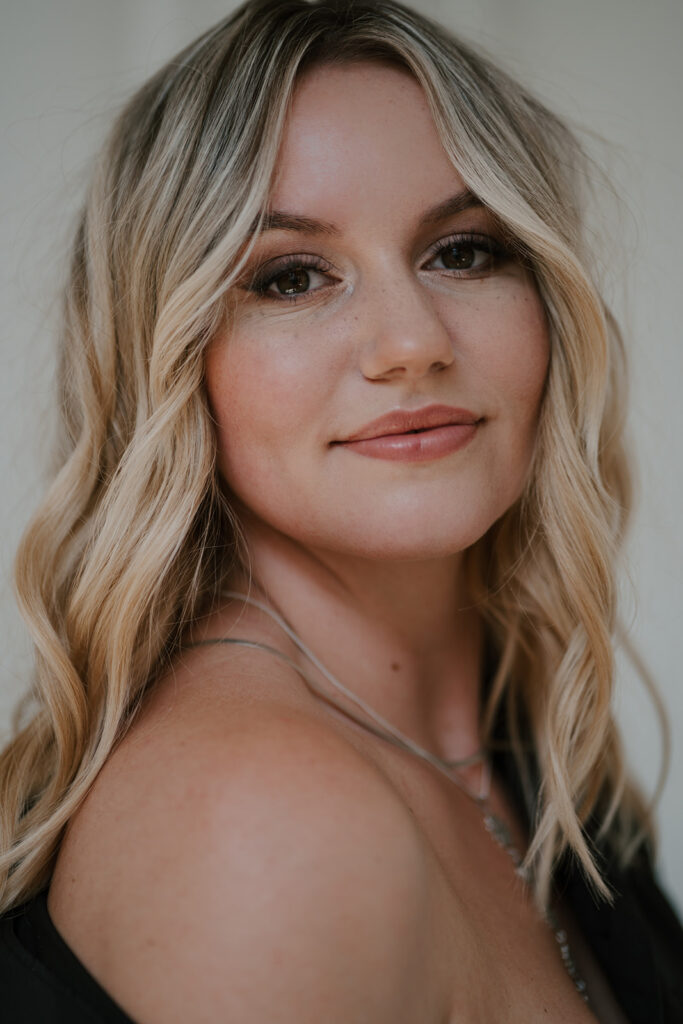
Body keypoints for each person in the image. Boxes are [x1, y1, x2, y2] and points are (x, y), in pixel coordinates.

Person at [0, 0, 681, 1020]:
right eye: (290, 277)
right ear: (168, 360)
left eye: (462, 251)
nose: (411, 343)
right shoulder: (270, 819)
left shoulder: (523, 748)